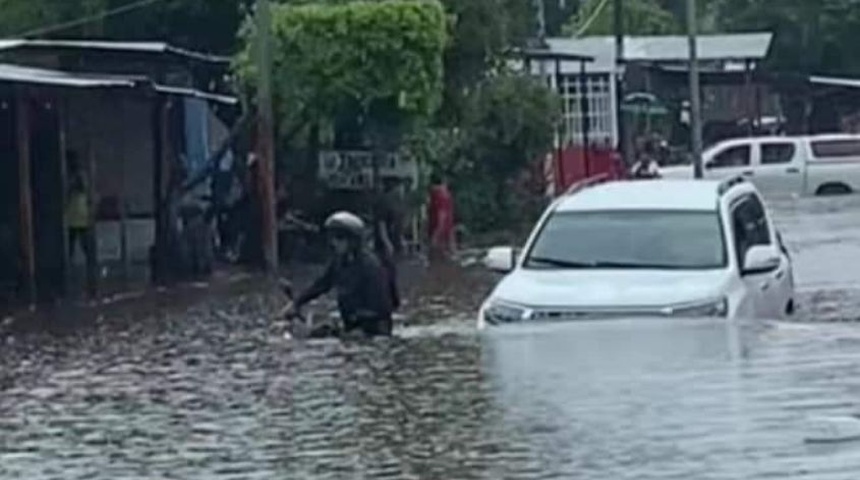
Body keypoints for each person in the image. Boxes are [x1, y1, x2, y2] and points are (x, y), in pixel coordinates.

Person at [286, 211, 396, 338]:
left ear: (352, 240)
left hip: (372, 330)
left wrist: (359, 324)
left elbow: (383, 308)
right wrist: (297, 303)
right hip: (350, 327)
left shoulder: (371, 267)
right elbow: (321, 285)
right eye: (332, 238)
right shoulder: (339, 262)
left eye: (339, 238)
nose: (334, 243)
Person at [65, 152, 93, 267]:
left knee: (81, 242)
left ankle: (90, 264)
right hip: (76, 212)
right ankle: (88, 263)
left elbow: (83, 188)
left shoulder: (77, 176)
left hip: (77, 212)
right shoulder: (73, 176)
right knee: (73, 243)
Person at [427, 174, 455, 261]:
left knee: (437, 256)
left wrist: (437, 233)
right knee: (449, 252)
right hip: (447, 226)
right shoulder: (446, 194)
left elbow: (441, 214)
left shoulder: (439, 195)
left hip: (439, 228)